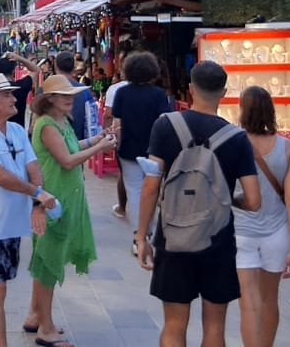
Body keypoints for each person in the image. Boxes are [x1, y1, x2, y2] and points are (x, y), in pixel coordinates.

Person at [135, 60, 260, 347]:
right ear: (225, 92)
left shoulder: (165, 125)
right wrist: (228, 200)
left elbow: (151, 186)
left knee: (174, 324)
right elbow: (254, 201)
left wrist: (142, 236)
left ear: (191, 89)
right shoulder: (237, 138)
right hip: (218, 240)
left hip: (173, 236)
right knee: (215, 327)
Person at [0, 74, 55, 347]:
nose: (14, 99)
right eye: (6, 95)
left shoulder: (15, 130)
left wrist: (38, 202)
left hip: (12, 224)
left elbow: (33, 167)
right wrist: (36, 193)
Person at [25, 77, 117, 347]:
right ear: (49, 98)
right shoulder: (46, 124)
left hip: (64, 199)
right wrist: (101, 147)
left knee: (45, 261)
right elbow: (67, 161)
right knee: (48, 264)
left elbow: (72, 146)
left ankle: (34, 315)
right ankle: (46, 327)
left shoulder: (61, 122)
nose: (70, 99)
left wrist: (95, 139)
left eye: (71, 94)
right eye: (63, 95)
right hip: (54, 201)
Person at [233, 86, 290, 347]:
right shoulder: (286, 147)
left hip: (241, 231)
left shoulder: (235, 142)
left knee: (247, 300)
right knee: (270, 299)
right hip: (277, 232)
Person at [108, 53, 173, 239]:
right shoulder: (159, 94)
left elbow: (117, 122)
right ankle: (150, 229)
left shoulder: (122, 92)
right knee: (152, 189)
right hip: (154, 150)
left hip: (128, 148)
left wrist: (115, 144)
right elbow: (164, 119)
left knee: (134, 190)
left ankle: (140, 234)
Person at [54, 52, 98, 141]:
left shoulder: (44, 90)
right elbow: (91, 127)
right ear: (74, 68)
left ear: (56, 67)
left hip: (48, 150)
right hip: (79, 148)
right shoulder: (85, 91)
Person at [0, 52, 40, 128]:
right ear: (13, 71)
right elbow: (35, 70)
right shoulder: (21, 86)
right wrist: (20, 59)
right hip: (18, 129)